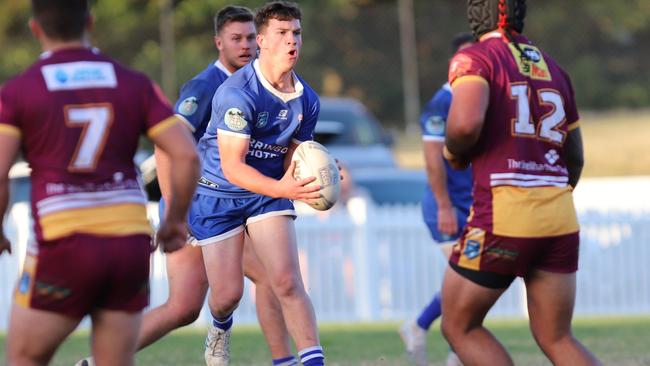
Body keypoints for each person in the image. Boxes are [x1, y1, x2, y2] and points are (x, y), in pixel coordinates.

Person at [0, 0, 200, 365]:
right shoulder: (134, 83)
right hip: (128, 246)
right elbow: (187, 155)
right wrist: (174, 222)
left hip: (64, 243)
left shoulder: (19, 90)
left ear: (35, 29)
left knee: (24, 358)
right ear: (89, 23)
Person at [122, 6, 296, 366]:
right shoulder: (205, 87)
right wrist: (176, 206)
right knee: (188, 304)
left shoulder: (262, 83)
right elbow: (166, 143)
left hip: (235, 204)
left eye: (251, 37)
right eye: (237, 39)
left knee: (189, 306)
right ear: (219, 42)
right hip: (197, 205)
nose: (246, 45)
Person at [440, 1, 601, 365]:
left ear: (475, 15)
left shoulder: (476, 58)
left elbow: (465, 126)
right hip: (559, 217)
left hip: (505, 214)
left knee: (460, 326)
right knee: (557, 337)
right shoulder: (554, 69)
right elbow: (574, 156)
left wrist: (453, 152)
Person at [191, 2, 327, 365]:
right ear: (263, 42)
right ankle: (220, 326)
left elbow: (293, 159)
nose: (291, 41)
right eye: (282, 34)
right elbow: (234, 169)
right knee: (227, 295)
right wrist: (285, 188)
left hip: (266, 191)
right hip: (218, 192)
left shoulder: (307, 99)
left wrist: (322, 167)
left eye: (296, 32)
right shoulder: (237, 93)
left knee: (286, 281)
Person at [399, 32, 475, 366]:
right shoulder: (441, 104)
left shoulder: (480, 97)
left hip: (474, 206)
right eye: (465, 57)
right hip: (446, 207)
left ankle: (419, 327)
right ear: (453, 62)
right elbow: (432, 160)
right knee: (470, 278)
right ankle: (456, 351)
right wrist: (444, 205)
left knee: (472, 280)